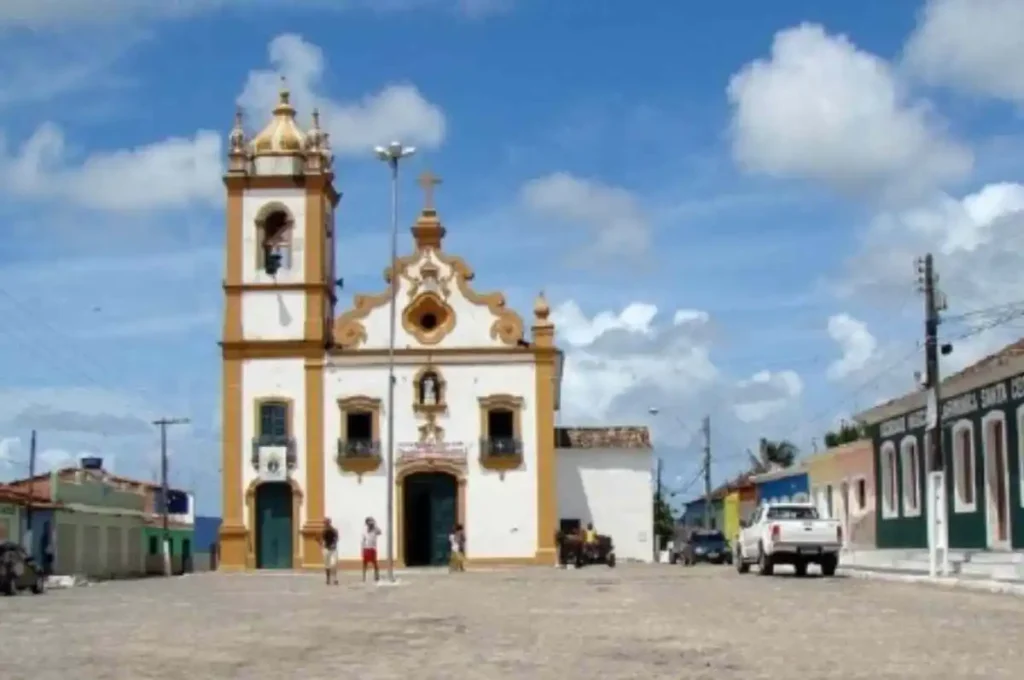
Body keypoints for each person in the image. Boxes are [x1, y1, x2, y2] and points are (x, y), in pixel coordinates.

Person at [361, 517, 381, 583]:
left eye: (371, 522)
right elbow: (363, 540)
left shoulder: (375, 529)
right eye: (368, 522)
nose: (370, 523)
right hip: (366, 548)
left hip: (372, 548)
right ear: (366, 523)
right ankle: (364, 576)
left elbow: (380, 532)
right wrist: (362, 549)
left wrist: (375, 524)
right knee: (365, 563)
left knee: (375, 562)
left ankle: (377, 575)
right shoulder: (364, 530)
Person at [320, 517, 339, 585]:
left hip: (333, 549)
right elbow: (321, 540)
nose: (325, 524)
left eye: (326, 522)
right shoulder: (323, 531)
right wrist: (321, 544)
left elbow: (336, 538)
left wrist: (334, 544)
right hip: (326, 549)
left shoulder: (334, 530)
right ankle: (328, 579)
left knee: (333, 564)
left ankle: (335, 578)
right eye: (324, 523)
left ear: (329, 523)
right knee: (327, 565)